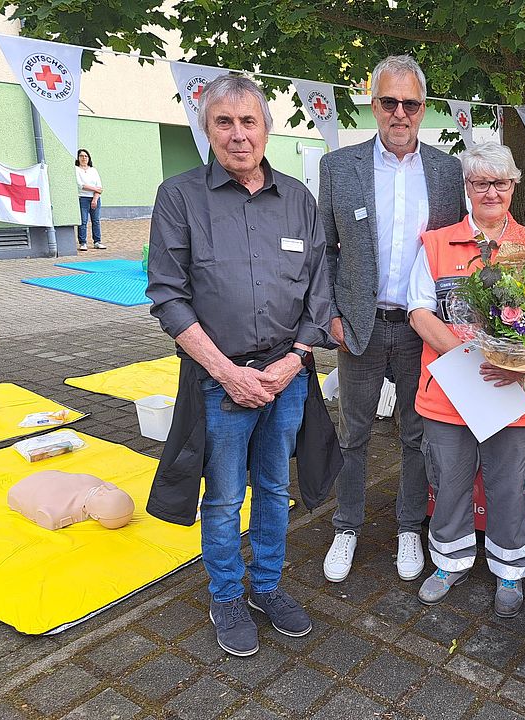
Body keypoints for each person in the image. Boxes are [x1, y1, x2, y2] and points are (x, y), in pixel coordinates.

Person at [146, 74, 334, 657]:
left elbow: (319, 293)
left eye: (248, 121)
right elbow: (168, 295)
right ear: (207, 129)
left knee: (276, 490)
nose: (237, 134)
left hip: (288, 379)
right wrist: (228, 372)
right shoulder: (179, 197)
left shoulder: (298, 199)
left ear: (266, 129)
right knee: (225, 497)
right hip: (219, 382)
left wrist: (296, 361)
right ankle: (226, 594)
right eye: (223, 122)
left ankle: (267, 587)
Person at [318, 55, 466, 583]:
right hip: (358, 324)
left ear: (424, 109)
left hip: (421, 328)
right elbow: (325, 250)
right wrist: (330, 315)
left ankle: (408, 526)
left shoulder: (449, 172)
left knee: (414, 433)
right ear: (373, 103)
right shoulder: (340, 167)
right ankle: (346, 525)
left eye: (411, 103)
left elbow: (457, 253)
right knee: (354, 432)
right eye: (389, 102)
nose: (399, 113)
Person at [407, 142, 525, 616]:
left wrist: (516, 359)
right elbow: (418, 311)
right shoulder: (435, 243)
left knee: (509, 484)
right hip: (449, 392)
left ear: (514, 185)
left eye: (500, 182)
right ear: (466, 187)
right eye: (479, 182)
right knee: (449, 482)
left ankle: (510, 572)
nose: (490, 191)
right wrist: (465, 353)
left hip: (513, 394)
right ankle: (448, 561)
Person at [75, 149, 104, 251]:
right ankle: (83, 242)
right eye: (81, 156)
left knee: (95, 221)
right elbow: (80, 185)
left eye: (86, 156)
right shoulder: (76, 169)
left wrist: (95, 198)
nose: (84, 158)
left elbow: (99, 186)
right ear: (78, 158)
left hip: (95, 198)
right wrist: (95, 189)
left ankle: (97, 241)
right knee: (83, 221)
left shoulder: (93, 170)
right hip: (83, 198)